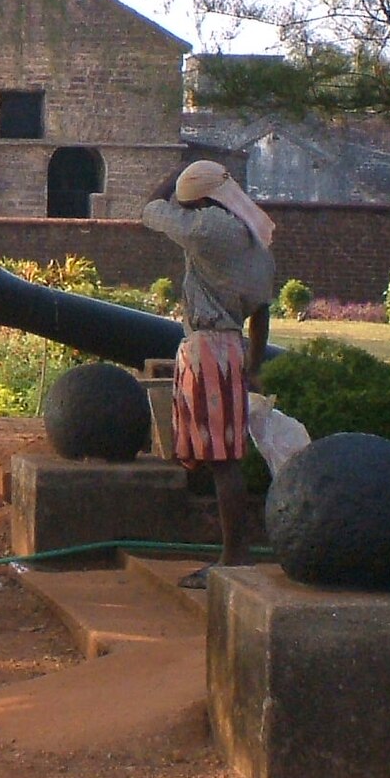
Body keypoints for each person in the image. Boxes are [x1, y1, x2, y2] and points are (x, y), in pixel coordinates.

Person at [142, 160, 276, 590]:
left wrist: (175, 173)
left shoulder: (206, 230)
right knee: (225, 455)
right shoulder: (254, 237)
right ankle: (233, 552)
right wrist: (253, 367)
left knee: (221, 460)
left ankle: (234, 556)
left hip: (208, 349)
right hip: (233, 347)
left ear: (200, 200)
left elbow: (148, 210)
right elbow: (262, 310)